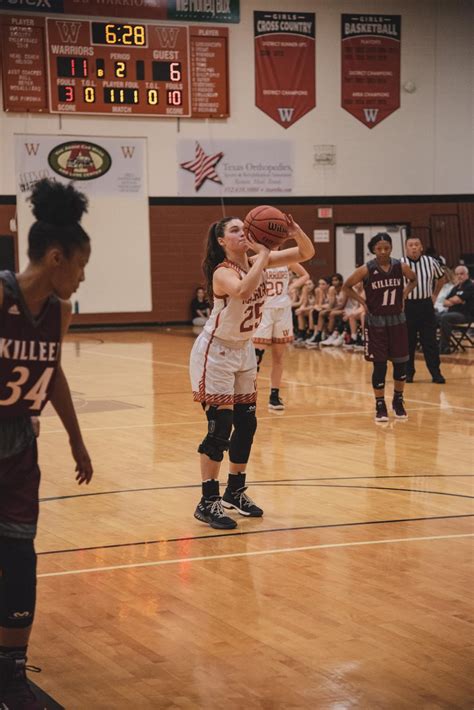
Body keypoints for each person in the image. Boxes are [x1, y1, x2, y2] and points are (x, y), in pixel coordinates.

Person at [0, 179, 93, 708]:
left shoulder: (59, 313)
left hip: (19, 447)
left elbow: (52, 373)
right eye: (79, 265)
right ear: (56, 257)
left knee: (20, 558)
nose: (82, 276)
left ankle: (11, 670)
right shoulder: (1, 293)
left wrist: (77, 442)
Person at [190, 214, 314, 529]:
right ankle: (207, 501)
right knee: (221, 427)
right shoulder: (222, 272)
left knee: (247, 423)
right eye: (235, 230)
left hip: (243, 349)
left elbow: (306, 253)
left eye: (244, 228)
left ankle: (235, 491)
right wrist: (262, 256)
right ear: (222, 241)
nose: (242, 233)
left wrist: (293, 229)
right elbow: (244, 291)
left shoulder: (261, 260)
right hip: (215, 352)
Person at [343, 233, 417, 422]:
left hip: (397, 320)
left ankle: (398, 401)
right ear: (373, 250)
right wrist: (363, 302)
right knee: (380, 365)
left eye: (386, 247)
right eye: (379, 248)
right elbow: (346, 286)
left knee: (401, 364)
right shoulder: (366, 269)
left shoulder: (400, 266)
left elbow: (413, 279)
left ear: (391, 248)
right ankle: (380, 404)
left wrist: (404, 296)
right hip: (376, 322)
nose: (383, 251)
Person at [253, 263, 309, 410]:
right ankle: (247, 395)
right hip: (264, 310)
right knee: (256, 357)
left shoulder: (287, 259)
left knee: (278, 356)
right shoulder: (258, 259)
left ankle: (274, 395)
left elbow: (305, 275)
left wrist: (292, 286)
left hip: (282, 310)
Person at [401, 236, 446, 383]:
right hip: (408, 306)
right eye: (410, 245)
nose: (414, 247)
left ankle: (435, 373)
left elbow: (441, 278)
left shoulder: (431, 261)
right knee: (408, 342)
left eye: (416, 245)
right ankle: (408, 373)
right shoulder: (400, 264)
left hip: (426, 305)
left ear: (421, 247)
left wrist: (434, 295)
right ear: (406, 248)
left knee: (430, 341)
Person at [437, 265, 474, 353]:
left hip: (466, 315)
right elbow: (444, 302)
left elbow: (457, 299)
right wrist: (455, 300)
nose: (459, 276)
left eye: (461, 274)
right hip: (453, 313)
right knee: (434, 316)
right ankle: (434, 343)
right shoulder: (456, 287)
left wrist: (456, 300)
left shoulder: (470, 286)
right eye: (457, 274)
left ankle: (445, 347)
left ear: (467, 274)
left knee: (445, 317)